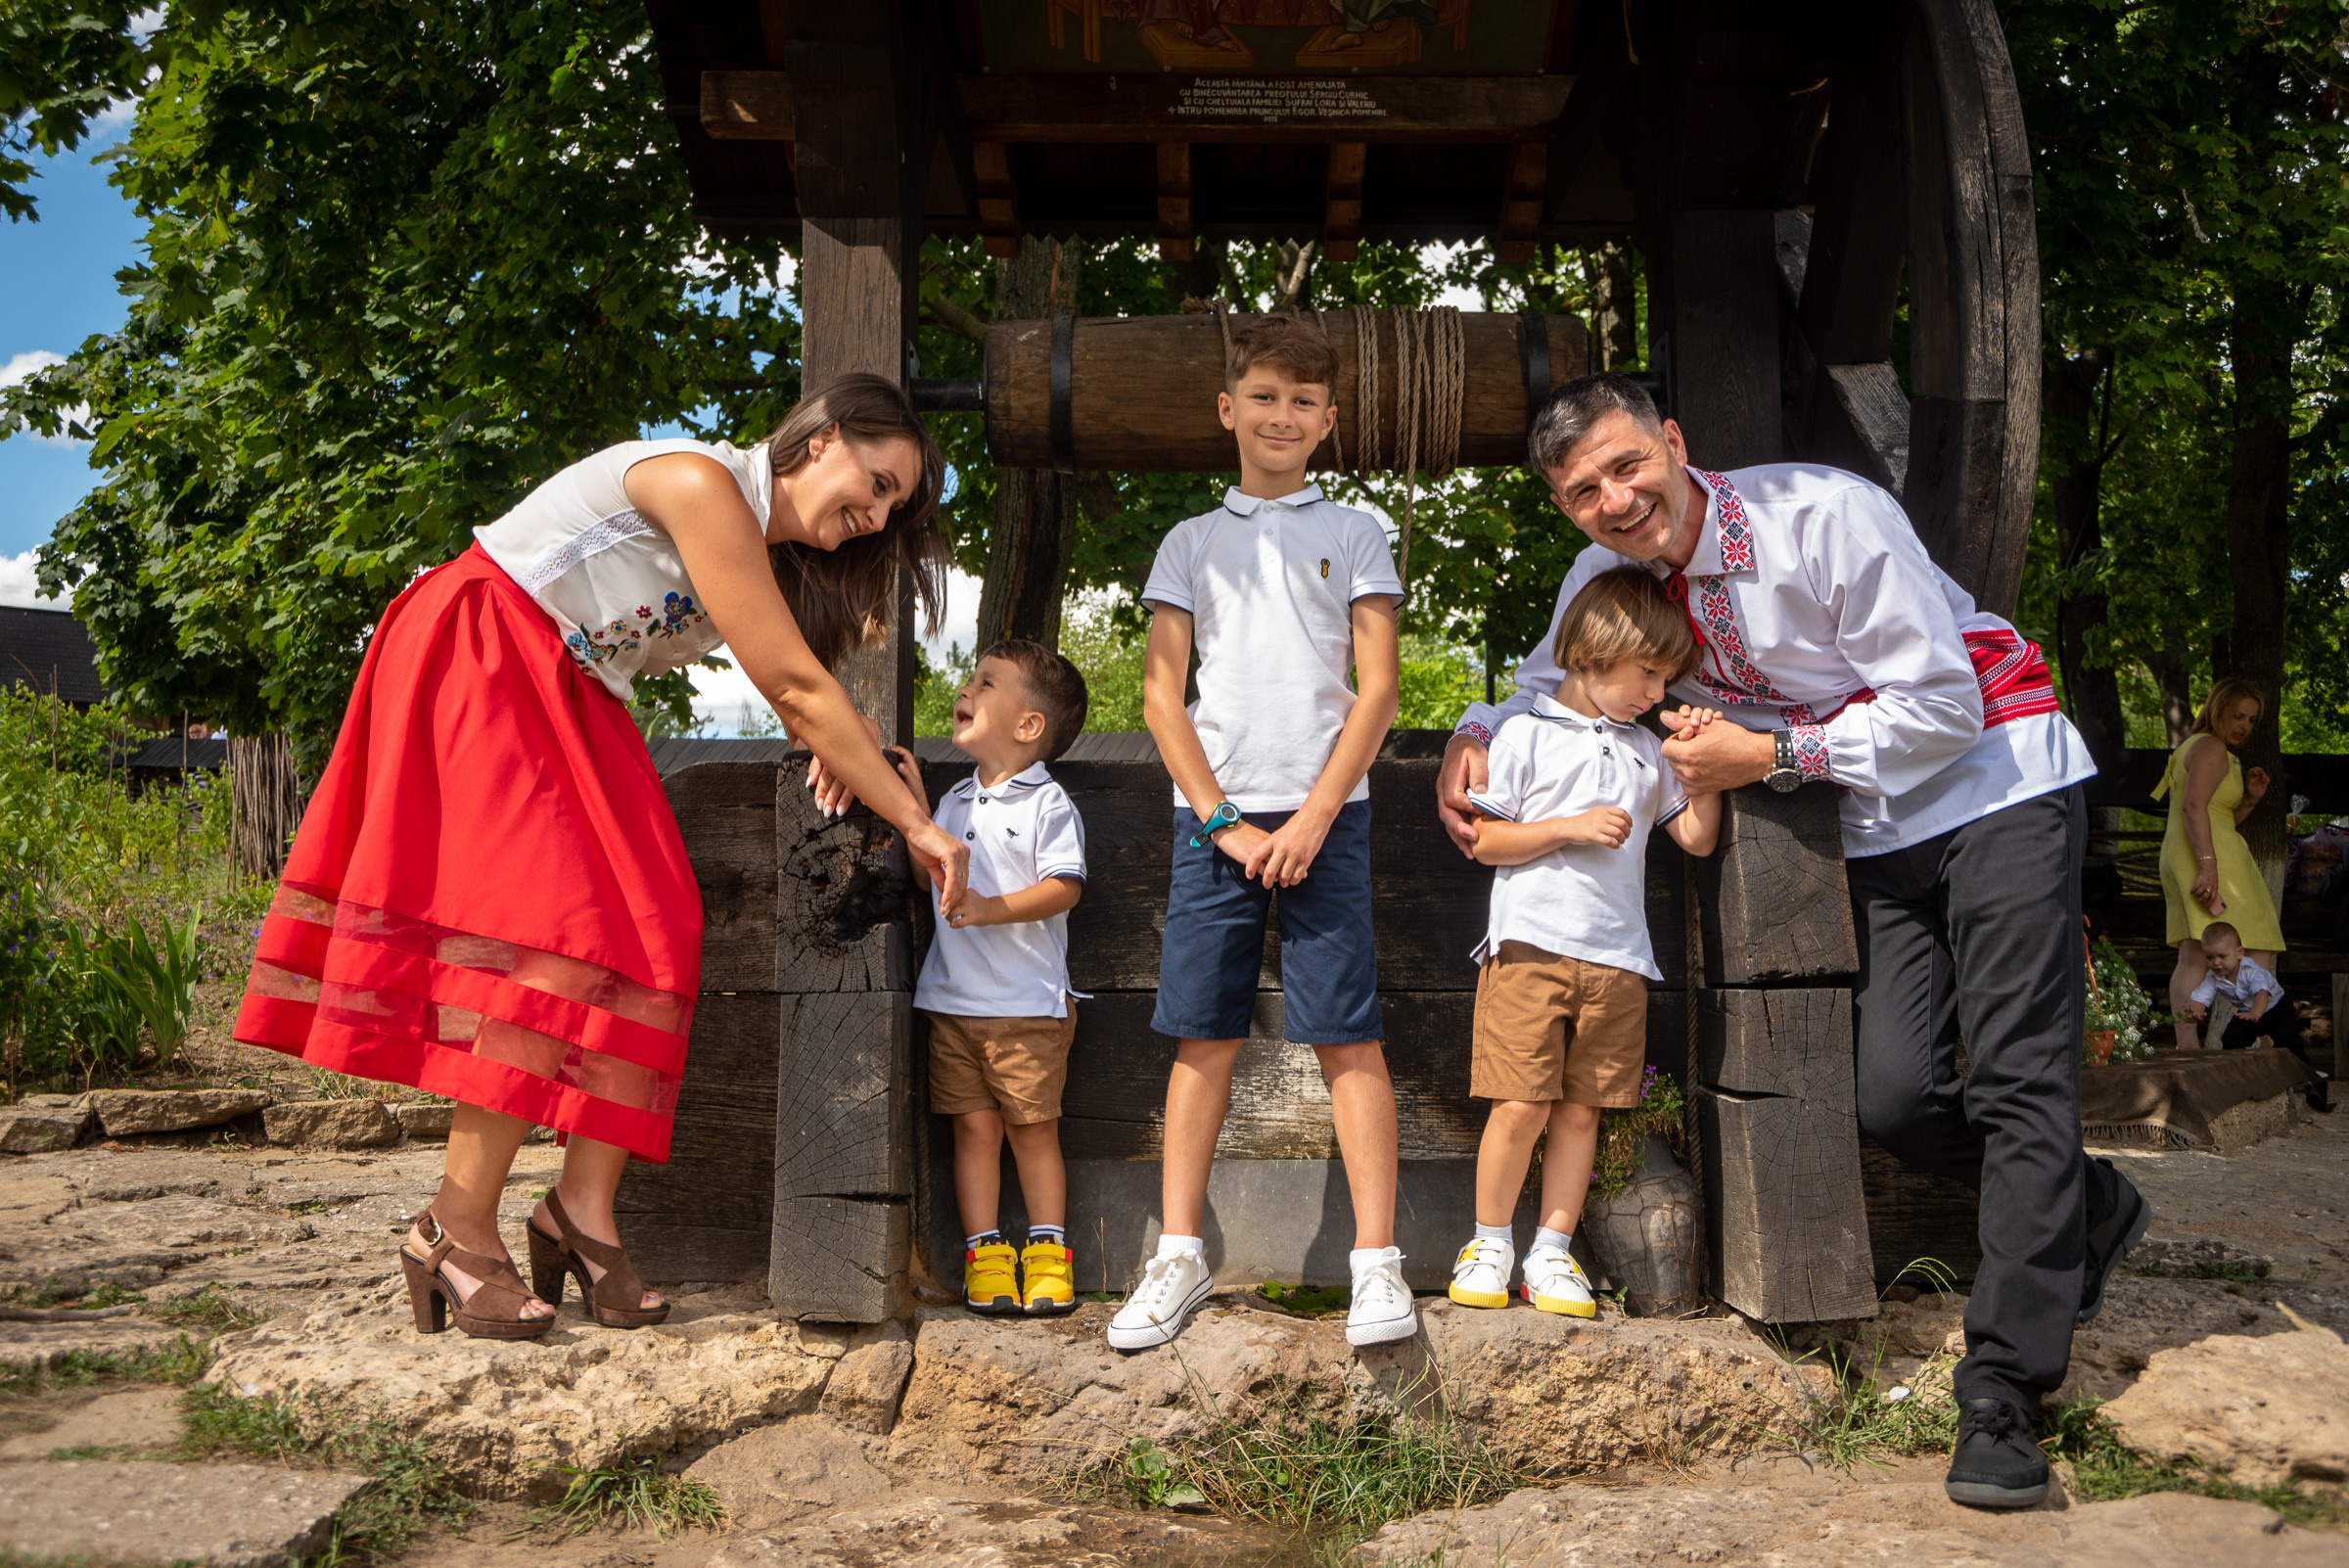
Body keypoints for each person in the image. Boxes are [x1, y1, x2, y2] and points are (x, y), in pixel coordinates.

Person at [1435, 373, 2148, 1511]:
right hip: (1867, 829)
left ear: (1672, 442)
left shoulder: (1825, 512)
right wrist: (1473, 736)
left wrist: (1767, 761)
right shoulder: (1604, 578)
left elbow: (1946, 706)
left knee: (2021, 1080)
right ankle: (2087, 1208)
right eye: (1583, 492)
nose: (1615, 502)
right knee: (1895, 1099)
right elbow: (1547, 682)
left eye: (1628, 467)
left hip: (1995, 784)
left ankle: (2004, 1392)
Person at [236, 374, 971, 1340]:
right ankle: (452, 1228)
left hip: (574, 683)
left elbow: (809, 687)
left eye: (890, 509)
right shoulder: (706, 484)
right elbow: (793, 687)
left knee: (662, 927)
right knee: (546, 940)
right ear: (823, 437)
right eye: (875, 483)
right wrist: (917, 825)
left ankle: (577, 1213)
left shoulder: (765, 551)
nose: (872, 517)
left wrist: (859, 743)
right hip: (489, 637)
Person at [1106, 313, 1409, 1353]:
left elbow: (1378, 692)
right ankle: (1179, 1253)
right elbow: (1159, 698)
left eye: (1304, 403)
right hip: (1215, 825)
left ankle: (1377, 1266)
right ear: (1229, 408)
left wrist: (1318, 813)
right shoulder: (1191, 542)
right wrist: (1225, 822)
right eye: (1265, 397)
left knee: (1348, 1035)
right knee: (1203, 1035)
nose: (1283, 416)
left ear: (1328, 422)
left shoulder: (1357, 530)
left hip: (1333, 814)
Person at [1447, 569, 1723, 1317]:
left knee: (1582, 1112)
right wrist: (1570, 827)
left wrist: (1705, 765)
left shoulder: (1645, 750)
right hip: (1531, 949)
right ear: (1596, 652)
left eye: (1667, 678)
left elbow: (1695, 837)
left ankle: (1551, 1252)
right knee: (1520, 1105)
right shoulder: (1524, 732)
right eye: (1648, 673)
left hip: (1619, 961)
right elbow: (1487, 839)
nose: (1656, 692)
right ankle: (1489, 1242)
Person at [890, 640, 1094, 1314]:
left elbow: (1065, 887)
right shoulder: (952, 799)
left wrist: (988, 908)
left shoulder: (1047, 802)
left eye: (986, 682)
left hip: (1027, 1008)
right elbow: (933, 876)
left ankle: (1046, 1252)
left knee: (1034, 1130)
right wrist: (916, 806)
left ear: (1028, 727)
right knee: (974, 1132)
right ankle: (984, 1253)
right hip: (953, 1005)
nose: (967, 689)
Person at [2153, 680, 2279, 1050]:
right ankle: (2253, 1046)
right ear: (2216, 709)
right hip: (2207, 859)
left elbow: (2214, 815)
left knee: (2199, 950)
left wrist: (2250, 801)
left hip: (2198, 851)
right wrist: (2208, 868)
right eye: (2237, 715)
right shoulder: (2210, 745)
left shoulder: (2197, 746)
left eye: (2252, 720)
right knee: (2255, 949)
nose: (2244, 725)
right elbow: (2193, 808)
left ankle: (2194, 1048)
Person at [2188, 922, 2332, 1111]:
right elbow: (2201, 996)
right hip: (2249, 1013)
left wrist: (2256, 1013)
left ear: (2239, 953)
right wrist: (2197, 1010)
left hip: (2277, 1010)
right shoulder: (2213, 977)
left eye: (2222, 956)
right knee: (2231, 1037)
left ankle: (2311, 1082)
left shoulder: (2252, 971)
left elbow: (2262, 993)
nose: (2216, 962)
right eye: (2210, 957)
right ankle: (2235, 1076)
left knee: (2288, 1044)